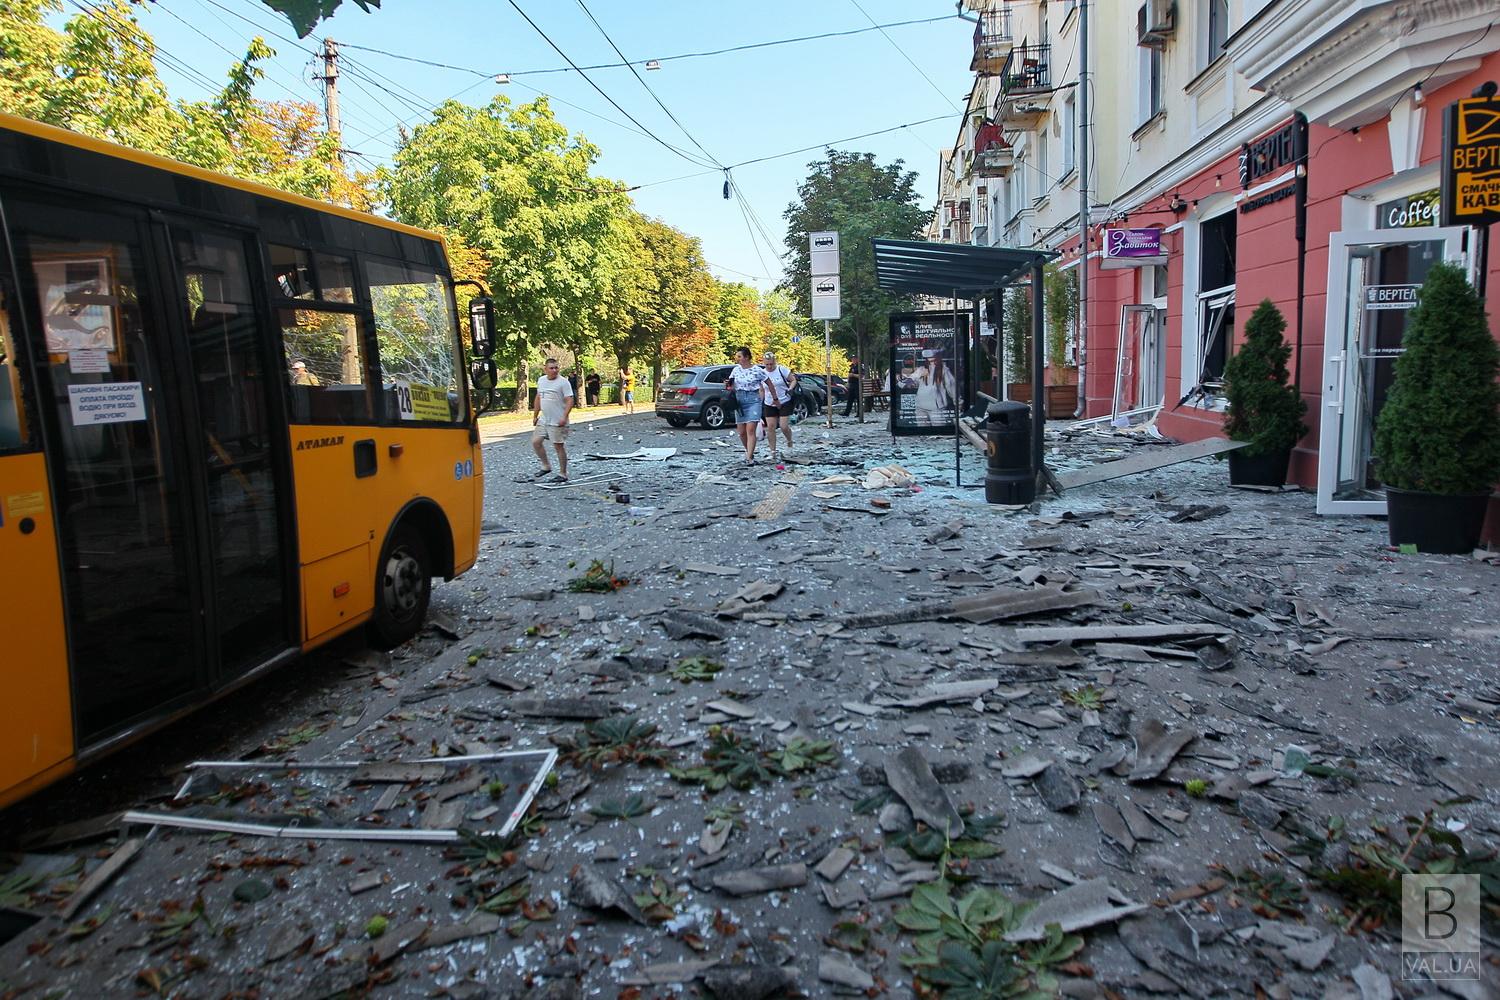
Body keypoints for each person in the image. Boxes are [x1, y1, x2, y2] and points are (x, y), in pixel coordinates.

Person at [530, 357, 574, 482]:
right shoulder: (541, 380)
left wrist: (564, 417)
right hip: (544, 418)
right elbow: (538, 398)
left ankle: (563, 473)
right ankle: (546, 466)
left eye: (556, 368)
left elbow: (570, 400)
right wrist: (535, 415)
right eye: (551, 368)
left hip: (557, 419)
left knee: (558, 446)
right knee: (536, 442)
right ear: (545, 369)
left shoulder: (563, 382)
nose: (554, 370)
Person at [727, 346, 768, 465]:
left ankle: (749, 457)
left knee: (750, 429)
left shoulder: (757, 370)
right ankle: (748, 450)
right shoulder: (736, 370)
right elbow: (731, 385)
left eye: (740, 356)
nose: (737, 359)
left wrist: (773, 398)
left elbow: (768, 383)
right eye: (737, 356)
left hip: (753, 399)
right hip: (739, 400)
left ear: (747, 357)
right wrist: (728, 385)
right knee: (741, 431)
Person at [759, 351, 797, 460]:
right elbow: (761, 389)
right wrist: (759, 402)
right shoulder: (762, 373)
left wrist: (790, 389)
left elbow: (793, 380)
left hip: (784, 401)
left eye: (771, 364)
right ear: (764, 363)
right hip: (769, 403)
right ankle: (773, 451)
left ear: (775, 362)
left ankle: (789, 441)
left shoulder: (781, 369)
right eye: (767, 364)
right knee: (770, 427)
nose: (769, 366)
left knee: (784, 426)